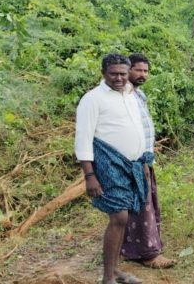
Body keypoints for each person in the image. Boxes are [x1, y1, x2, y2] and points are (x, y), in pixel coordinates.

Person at [75, 53, 146, 284]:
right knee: (119, 216)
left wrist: (143, 161)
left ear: (128, 73)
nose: (118, 78)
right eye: (113, 73)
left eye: (123, 74)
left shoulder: (130, 95)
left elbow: (139, 128)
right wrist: (90, 175)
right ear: (103, 73)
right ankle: (108, 278)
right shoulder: (92, 99)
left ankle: (116, 271)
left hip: (132, 164)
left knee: (124, 218)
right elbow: (83, 139)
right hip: (107, 163)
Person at [121, 53, 176, 269]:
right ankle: (149, 254)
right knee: (141, 206)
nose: (142, 74)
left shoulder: (139, 95)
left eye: (145, 70)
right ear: (128, 70)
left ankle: (132, 250)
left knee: (143, 204)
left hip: (144, 158)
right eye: (138, 70)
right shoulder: (122, 95)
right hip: (131, 159)